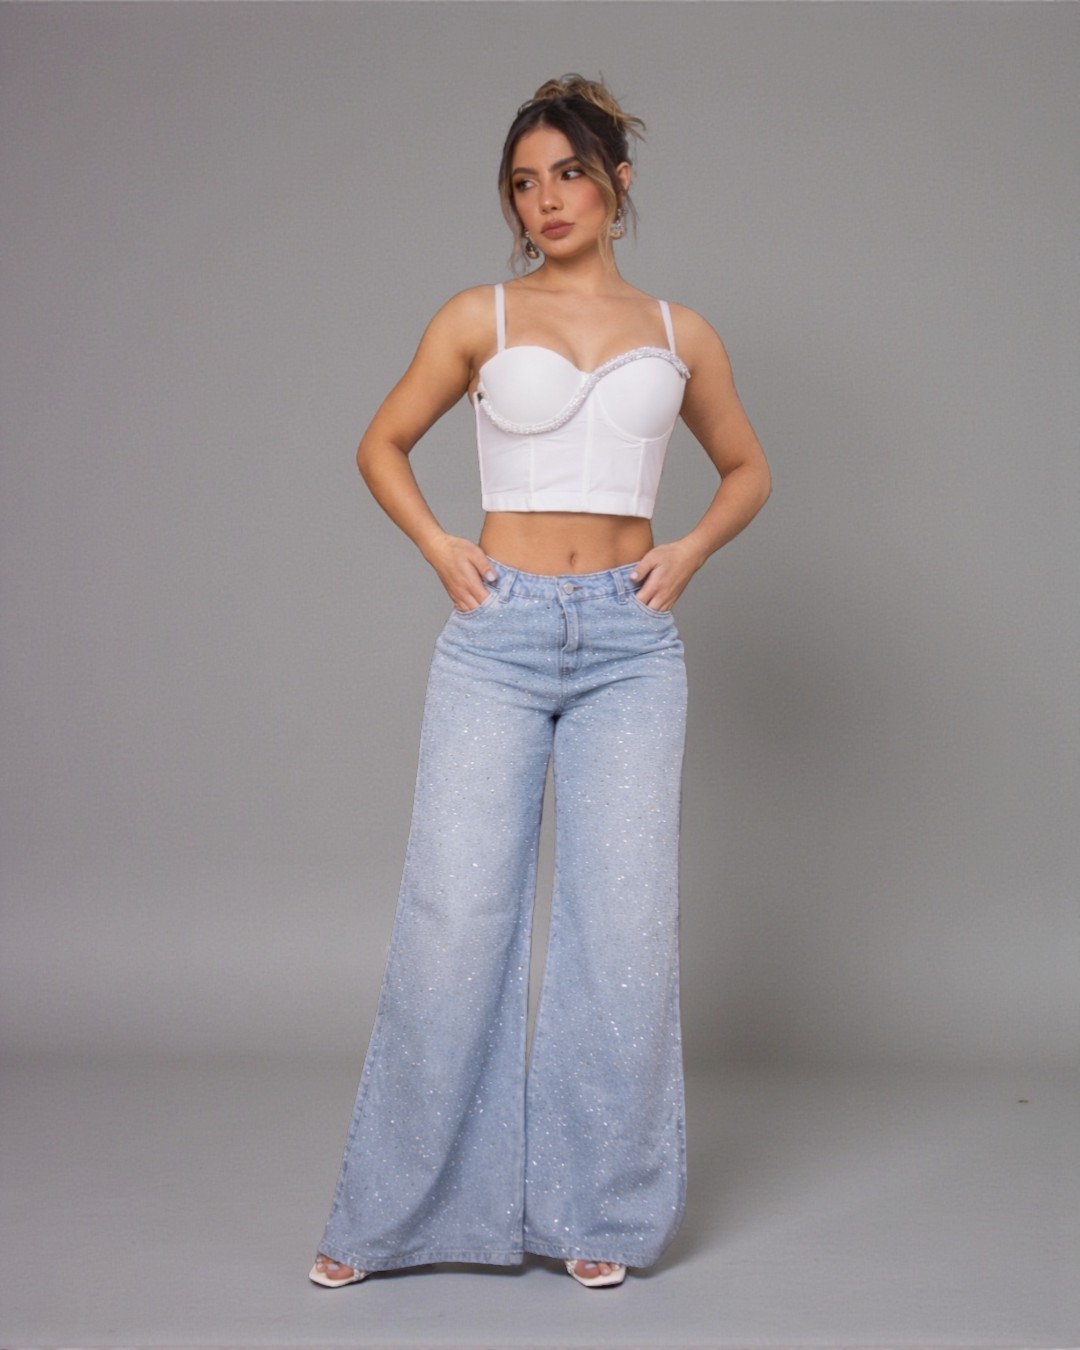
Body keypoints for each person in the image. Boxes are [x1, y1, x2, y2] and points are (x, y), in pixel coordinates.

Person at [310, 74, 771, 1292]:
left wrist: (689, 550)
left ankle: (596, 1211)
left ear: (618, 183)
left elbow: (746, 469)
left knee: (621, 930)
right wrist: (439, 546)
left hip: (630, 644)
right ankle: (394, 1219)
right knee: (455, 919)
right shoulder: (480, 317)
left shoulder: (680, 333)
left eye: (569, 173)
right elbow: (380, 443)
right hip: (500, 635)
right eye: (524, 182)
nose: (546, 199)